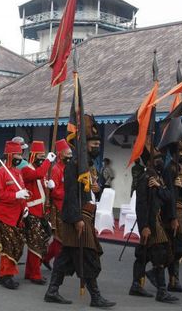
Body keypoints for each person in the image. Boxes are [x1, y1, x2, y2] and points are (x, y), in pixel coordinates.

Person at [44, 115, 115, 308]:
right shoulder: (74, 165)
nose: (96, 146)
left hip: (87, 215)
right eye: (93, 143)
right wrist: (76, 219)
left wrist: (96, 190)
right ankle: (96, 297)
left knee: (66, 257)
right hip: (77, 217)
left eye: (98, 143)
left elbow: (88, 190)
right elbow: (70, 196)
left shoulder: (88, 166)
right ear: (84, 144)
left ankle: (52, 291)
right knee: (88, 257)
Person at [128, 146, 178, 303]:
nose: (160, 160)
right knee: (159, 254)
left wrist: (159, 186)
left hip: (157, 220)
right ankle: (161, 290)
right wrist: (144, 226)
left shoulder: (158, 178)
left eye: (160, 157)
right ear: (149, 161)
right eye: (156, 158)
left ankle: (136, 284)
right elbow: (141, 204)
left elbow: (168, 197)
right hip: (151, 223)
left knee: (144, 254)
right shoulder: (144, 178)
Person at [0, 140, 29, 289]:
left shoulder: (17, 173)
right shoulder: (1, 172)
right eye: (18, 154)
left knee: (14, 245)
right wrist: (15, 195)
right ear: (11, 155)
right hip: (3, 214)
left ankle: (2, 274)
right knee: (8, 247)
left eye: (21, 154)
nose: (20, 157)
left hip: (17, 215)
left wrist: (24, 205)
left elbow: (22, 192)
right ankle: (7, 276)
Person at [21, 141, 56, 285]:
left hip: (41, 212)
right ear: (33, 156)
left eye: (43, 156)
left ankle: (30, 272)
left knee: (38, 243)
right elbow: (39, 174)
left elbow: (42, 185)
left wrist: (49, 186)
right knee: (35, 243)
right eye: (40, 156)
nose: (42, 159)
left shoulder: (39, 172)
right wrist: (48, 160)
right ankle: (35, 274)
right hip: (32, 211)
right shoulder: (27, 170)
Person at [161, 139, 182, 292]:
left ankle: (174, 280)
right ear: (174, 154)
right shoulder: (170, 169)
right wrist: (172, 217)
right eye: (181, 151)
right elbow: (169, 195)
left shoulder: (180, 169)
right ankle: (165, 275)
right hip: (174, 213)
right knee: (176, 247)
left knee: (178, 247)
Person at [43, 139, 72, 270]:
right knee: (60, 237)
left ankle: (46, 258)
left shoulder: (68, 168)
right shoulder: (55, 169)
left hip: (68, 207)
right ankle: (57, 263)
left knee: (61, 237)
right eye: (67, 154)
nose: (70, 157)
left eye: (71, 154)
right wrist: (68, 194)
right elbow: (54, 192)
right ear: (60, 154)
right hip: (59, 207)